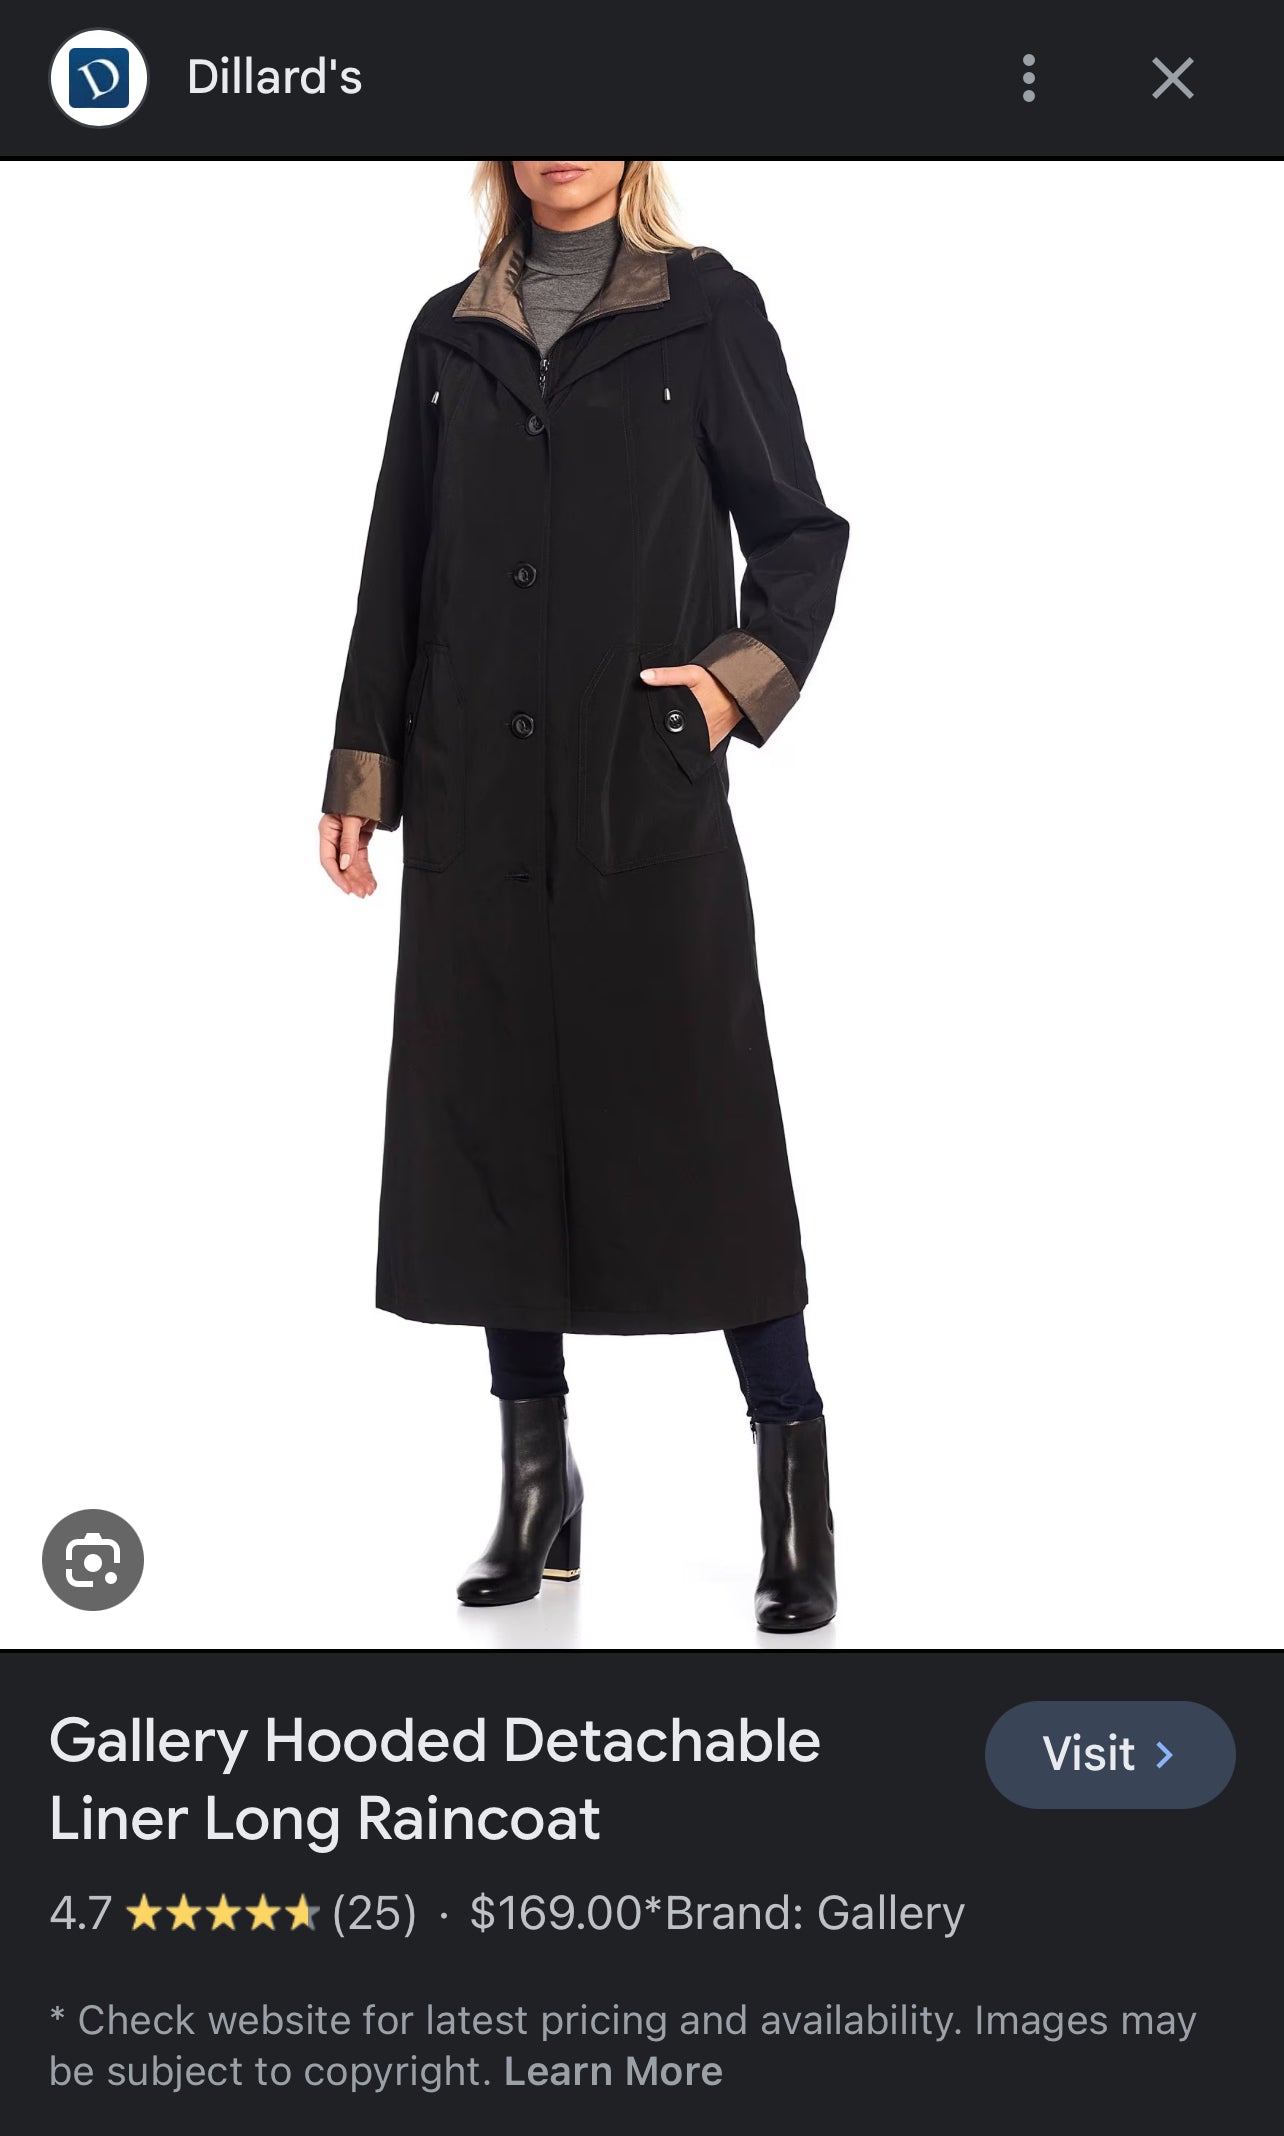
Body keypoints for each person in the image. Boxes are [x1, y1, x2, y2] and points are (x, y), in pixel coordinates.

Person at [319, 161, 848, 1630]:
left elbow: (798, 532)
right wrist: (362, 770)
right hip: (477, 792)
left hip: (638, 787)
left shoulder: (706, 309)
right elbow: (398, 557)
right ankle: (540, 1492)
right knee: (496, 1124)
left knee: (707, 1127)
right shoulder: (448, 332)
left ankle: (793, 1487)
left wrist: (728, 692)